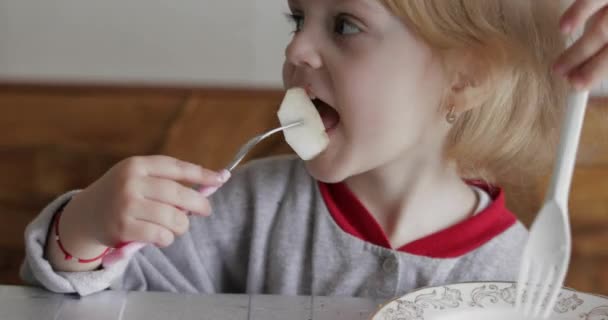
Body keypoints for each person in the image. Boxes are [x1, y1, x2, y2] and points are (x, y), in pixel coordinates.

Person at [20, 0, 608, 297]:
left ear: (465, 77)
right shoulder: (246, 208)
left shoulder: (514, 272)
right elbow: (93, 299)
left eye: (345, 24)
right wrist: (89, 226)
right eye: (298, 17)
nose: (297, 48)